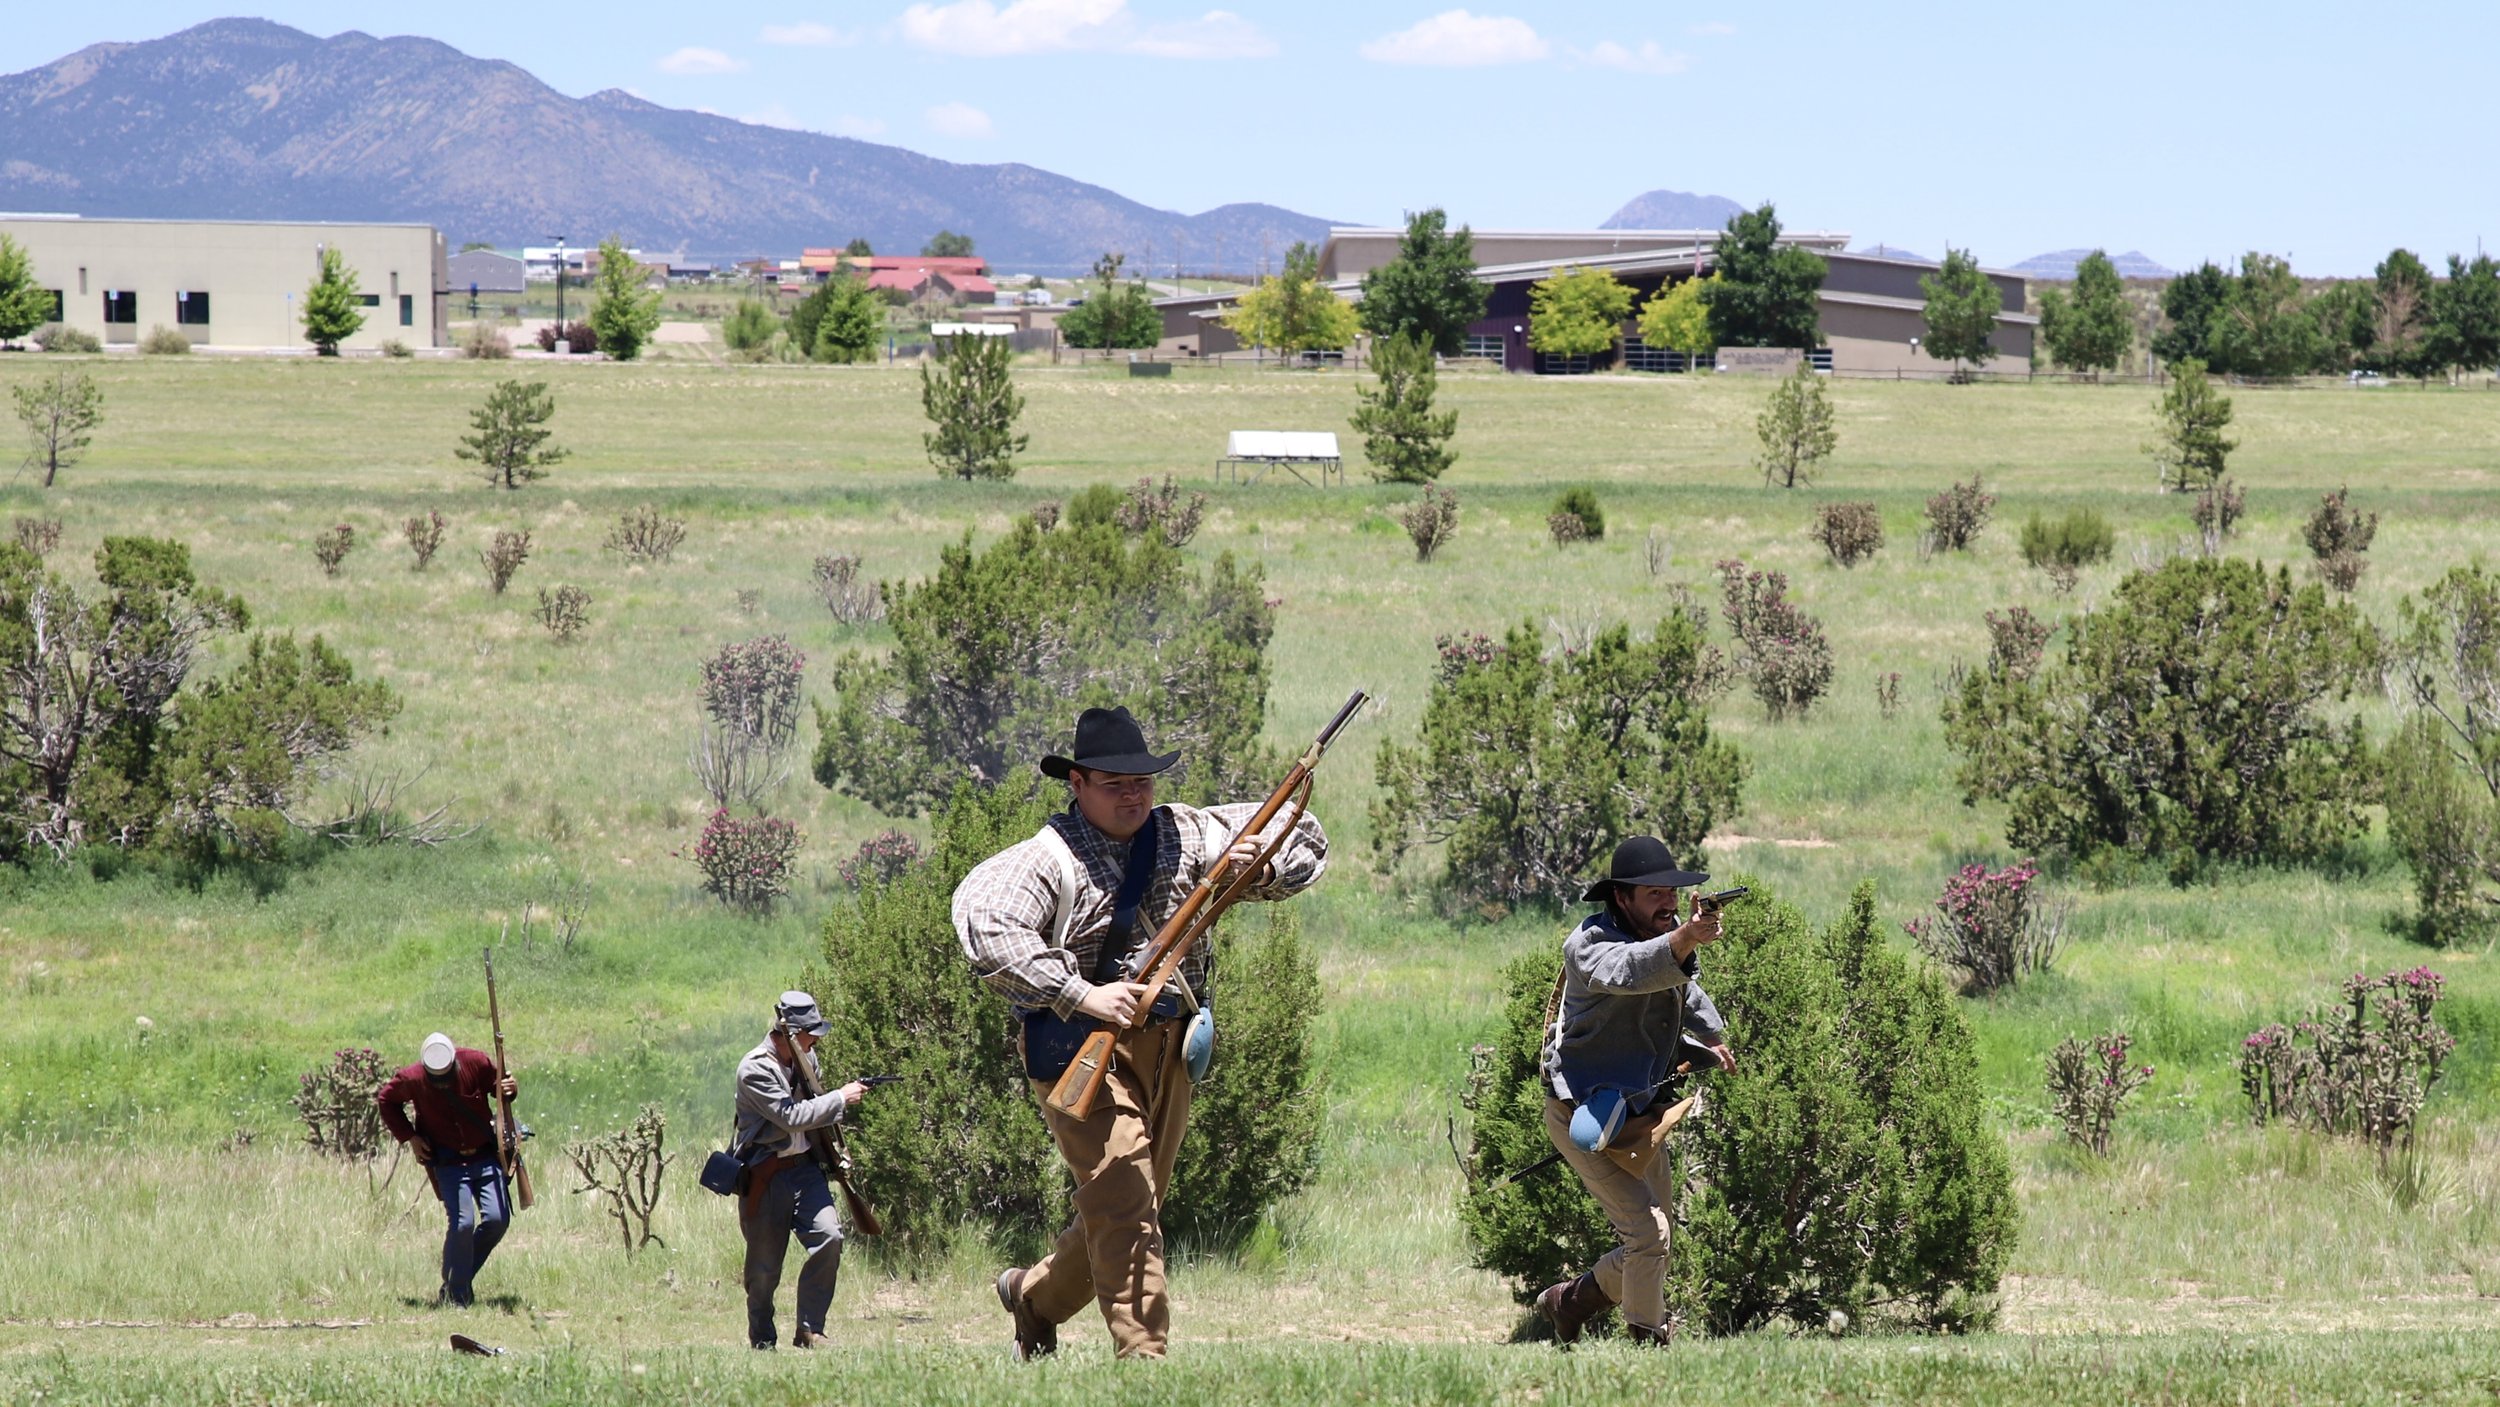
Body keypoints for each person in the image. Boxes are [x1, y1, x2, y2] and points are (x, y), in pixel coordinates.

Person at [953, 705, 1328, 1360]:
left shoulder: (1187, 831)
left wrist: (1258, 869)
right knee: (1126, 1205)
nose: (1132, 795)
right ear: (1076, 784)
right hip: (1077, 1048)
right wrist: (1083, 991)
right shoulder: (1048, 860)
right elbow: (987, 924)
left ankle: (1034, 1297)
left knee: (1129, 1205)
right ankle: (1145, 1362)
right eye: (1113, 783)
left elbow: (1305, 834)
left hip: (1171, 1047)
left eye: (1141, 783)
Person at [1534, 836, 1737, 1347]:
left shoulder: (1666, 935)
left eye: (1671, 893)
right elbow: (1630, 971)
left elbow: (1678, 989)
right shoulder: (1589, 945)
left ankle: (1571, 1301)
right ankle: (1647, 1342)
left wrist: (1711, 1035)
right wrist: (1685, 937)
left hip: (1640, 1113)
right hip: (1582, 1113)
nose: (1667, 903)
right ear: (1621, 898)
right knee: (1650, 1237)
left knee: (1653, 1242)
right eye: (1653, 894)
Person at [733, 991, 871, 1350]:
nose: (816, 1039)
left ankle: (810, 1329)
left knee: (830, 1237)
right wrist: (840, 1098)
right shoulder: (754, 1068)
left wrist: (838, 1152)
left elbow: (816, 1115)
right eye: (810, 1032)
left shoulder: (807, 1059)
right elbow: (790, 1118)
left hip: (805, 1170)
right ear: (789, 1031)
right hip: (767, 1175)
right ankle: (762, 1340)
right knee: (763, 1270)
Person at [376, 1032, 520, 1308]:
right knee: (463, 1223)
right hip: (447, 1161)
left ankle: (456, 1280)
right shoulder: (411, 1078)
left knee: (497, 1220)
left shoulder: (475, 1061)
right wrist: (410, 1137)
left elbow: (500, 1089)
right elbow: (387, 1101)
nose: (443, 1082)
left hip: (485, 1155)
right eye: (436, 1078)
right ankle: (457, 1294)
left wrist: (511, 1087)